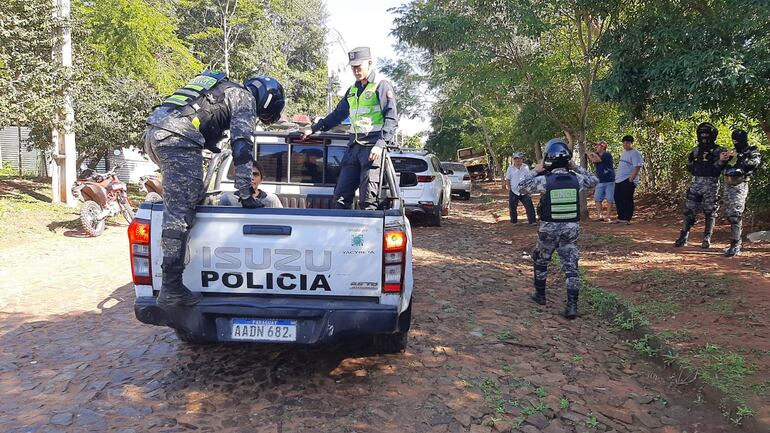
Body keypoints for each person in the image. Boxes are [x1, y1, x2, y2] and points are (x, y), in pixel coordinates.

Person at [144, 70, 285, 306]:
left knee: (193, 198)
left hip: (155, 134)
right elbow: (241, 148)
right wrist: (246, 194)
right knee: (179, 214)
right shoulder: (244, 98)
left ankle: (177, 277)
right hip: (178, 139)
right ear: (266, 100)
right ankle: (170, 289)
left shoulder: (221, 86)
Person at [302, 47, 398, 209]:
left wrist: (380, 145)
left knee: (368, 201)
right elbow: (337, 115)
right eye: (353, 67)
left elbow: (392, 118)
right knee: (340, 197)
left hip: (372, 148)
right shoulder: (352, 90)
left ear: (370, 63)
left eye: (358, 66)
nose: (355, 70)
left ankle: (367, 234)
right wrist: (314, 129)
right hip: (353, 148)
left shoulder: (381, 85)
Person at [519, 139, 599, 319]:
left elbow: (521, 187)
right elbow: (594, 180)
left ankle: (540, 296)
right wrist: (576, 167)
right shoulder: (577, 179)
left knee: (540, 260)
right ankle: (572, 306)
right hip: (571, 230)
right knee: (571, 267)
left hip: (549, 229)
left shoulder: (545, 180)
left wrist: (535, 170)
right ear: (567, 160)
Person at [673, 122, 729, 248]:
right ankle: (683, 237)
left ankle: (706, 239)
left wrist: (716, 160)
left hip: (711, 184)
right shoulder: (696, 150)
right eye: (702, 133)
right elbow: (690, 166)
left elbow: (722, 166)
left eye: (706, 134)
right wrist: (694, 164)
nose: (704, 136)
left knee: (710, 211)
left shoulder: (720, 150)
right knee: (689, 210)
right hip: (696, 182)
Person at [722, 129, 762, 256]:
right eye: (733, 139)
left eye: (737, 140)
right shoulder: (732, 151)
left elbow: (753, 164)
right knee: (729, 215)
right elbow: (721, 167)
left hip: (740, 185)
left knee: (735, 215)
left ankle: (736, 245)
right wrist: (724, 158)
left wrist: (739, 156)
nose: (735, 142)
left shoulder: (752, 151)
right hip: (728, 184)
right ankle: (734, 243)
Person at [613, 135, 643, 224]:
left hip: (628, 180)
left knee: (627, 199)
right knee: (617, 198)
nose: (625, 144)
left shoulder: (635, 153)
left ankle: (626, 218)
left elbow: (637, 167)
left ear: (631, 143)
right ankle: (620, 217)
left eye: (627, 143)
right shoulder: (624, 153)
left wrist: (631, 179)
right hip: (619, 180)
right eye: (624, 143)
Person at [504, 152, 536, 224]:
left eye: (519, 158)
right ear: (513, 160)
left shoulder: (525, 167)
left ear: (522, 159)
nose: (517, 160)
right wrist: (509, 188)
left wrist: (529, 189)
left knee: (529, 206)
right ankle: (514, 221)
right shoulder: (510, 168)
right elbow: (508, 179)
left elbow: (529, 178)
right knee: (512, 207)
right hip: (514, 190)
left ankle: (532, 221)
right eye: (516, 159)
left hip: (524, 190)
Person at [586, 141, 615, 221]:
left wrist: (588, 152)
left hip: (609, 180)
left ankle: (608, 216)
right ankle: (600, 215)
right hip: (600, 180)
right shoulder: (597, 154)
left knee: (609, 199)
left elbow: (596, 160)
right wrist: (588, 153)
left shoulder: (607, 155)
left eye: (598, 146)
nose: (596, 147)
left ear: (602, 147)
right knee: (597, 198)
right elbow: (593, 159)